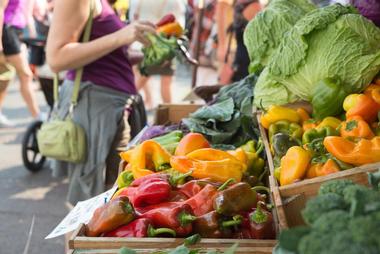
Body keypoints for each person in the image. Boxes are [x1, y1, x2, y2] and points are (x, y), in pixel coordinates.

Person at [46, 0, 155, 205]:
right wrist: (120, 37)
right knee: (88, 205)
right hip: (95, 108)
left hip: (112, 108)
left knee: (111, 197)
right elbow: (56, 58)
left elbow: (102, 55)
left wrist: (144, 56)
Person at [129, 0, 186, 108]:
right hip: (160, 46)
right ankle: (168, 113)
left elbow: (133, 18)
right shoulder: (174, 3)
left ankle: (159, 107)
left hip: (142, 43)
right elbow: (178, 27)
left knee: (141, 78)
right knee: (145, 81)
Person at [0, 0, 41, 127]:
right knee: (26, 75)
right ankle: (37, 116)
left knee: (6, 76)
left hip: (15, 31)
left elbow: (26, 11)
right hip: (7, 31)